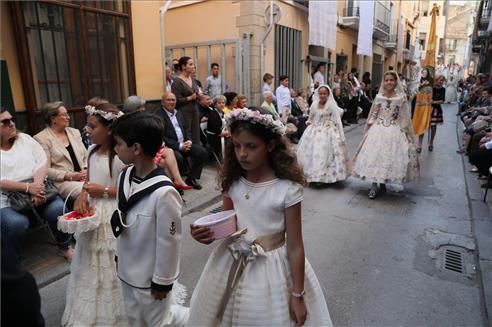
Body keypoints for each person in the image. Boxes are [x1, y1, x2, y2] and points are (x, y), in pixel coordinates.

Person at [188, 108, 332, 326]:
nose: (242, 153)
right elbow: (229, 225)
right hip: (232, 260)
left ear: (270, 145)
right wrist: (205, 233)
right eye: (237, 146)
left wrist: (297, 295)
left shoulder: (287, 189)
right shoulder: (232, 183)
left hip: (272, 268)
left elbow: (295, 245)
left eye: (251, 146)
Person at [111, 111, 189, 327]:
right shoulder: (124, 176)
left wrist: (163, 281)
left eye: (118, 144)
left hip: (149, 279)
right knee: (135, 320)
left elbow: (170, 241)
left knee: (158, 323)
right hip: (127, 271)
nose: (115, 149)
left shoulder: (164, 192)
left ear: (136, 148)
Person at [61, 103, 128, 326]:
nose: (87, 130)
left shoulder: (121, 157)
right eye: (87, 125)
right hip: (93, 212)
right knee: (89, 260)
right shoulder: (91, 151)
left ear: (109, 129)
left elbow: (130, 192)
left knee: (111, 261)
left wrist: (105, 191)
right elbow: (88, 180)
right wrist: (82, 195)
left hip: (112, 213)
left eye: (92, 126)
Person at [0, 108, 73, 264]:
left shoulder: (24, 139)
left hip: (38, 188)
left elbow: (41, 161)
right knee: (16, 224)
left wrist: (37, 187)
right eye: (5, 122)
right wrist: (27, 188)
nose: (12, 124)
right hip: (6, 197)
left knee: (58, 209)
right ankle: (12, 263)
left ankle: (64, 246)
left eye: (11, 119)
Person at [352, 71, 420, 199]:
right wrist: (369, 126)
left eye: (391, 80)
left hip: (394, 129)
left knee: (388, 156)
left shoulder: (401, 98)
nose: (389, 82)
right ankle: (374, 185)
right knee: (376, 156)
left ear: (396, 82)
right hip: (378, 129)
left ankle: (382, 182)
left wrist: (406, 131)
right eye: (387, 80)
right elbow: (374, 113)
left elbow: (404, 116)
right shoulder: (379, 97)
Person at [122, 95, 192, 191]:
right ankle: (169, 186)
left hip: (150, 149)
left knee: (169, 152)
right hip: (139, 154)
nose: (143, 109)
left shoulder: (140, 119)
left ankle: (175, 182)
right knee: (164, 162)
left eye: (143, 107)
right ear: (131, 109)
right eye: (139, 108)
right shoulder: (127, 124)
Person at [296, 85, 350, 185]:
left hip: (327, 131)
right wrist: (310, 124)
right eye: (320, 93)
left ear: (328, 94)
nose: (322, 95)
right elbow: (310, 118)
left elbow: (337, 120)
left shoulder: (331, 105)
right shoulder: (314, 104)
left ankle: (322, 176)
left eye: (324, 93)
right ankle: (311, 174)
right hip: (314, 130)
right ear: (318, 94)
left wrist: (341, 135)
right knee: (311, 152)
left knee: (324, 153)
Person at [34, 101, 87, 200]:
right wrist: (69, 176)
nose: (68, 117)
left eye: (68, 114)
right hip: (63, 182)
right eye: (64, 115)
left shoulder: (74, 132)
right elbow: (45, 170)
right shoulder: (41, 138)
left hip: (84, 177)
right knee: (87, 191)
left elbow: (86, 156)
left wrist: (85, 169)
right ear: (53, 119)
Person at [156, 92, 209, 190]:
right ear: (162, 102)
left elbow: (186, 129)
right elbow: (162, 137)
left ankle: (191, 178)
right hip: (171, 147)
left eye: (173, 100)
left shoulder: (178, 113)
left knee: (202, 152)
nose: (171, 102)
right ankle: (176, 182)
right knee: (178, 158)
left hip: (184, 143)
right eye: (169, 100)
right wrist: (180, 146)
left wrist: (188, 141)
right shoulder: (159, 116)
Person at [171, 56, 201, 145]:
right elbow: (176, 100)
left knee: (196, 134)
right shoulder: (177, 82)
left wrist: (199, 96)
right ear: (184, 67)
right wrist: (190, 98)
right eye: (190, 64)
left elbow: (196, 92)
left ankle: (197, 153)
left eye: (193, 64)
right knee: (187, 134)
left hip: (195, 110)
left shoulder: (193, 80)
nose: (193, 66)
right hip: (184, 112)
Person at [412, 67, 434, 153]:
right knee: (420, 125)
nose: (423, 73)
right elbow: (414, 95)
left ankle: (431, 143)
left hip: (429, 108)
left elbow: (432, 96)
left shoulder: (431, 84)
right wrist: (421, 85)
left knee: (431, 126)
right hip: (419, 108)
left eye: (425, 72)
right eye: (422, 72)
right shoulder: (419, 82)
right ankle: (419, 145)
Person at [427, 75, 446, 151]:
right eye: (440, 80)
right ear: (436, 80)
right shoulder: (431, 88)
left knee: (433, 126)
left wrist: (434, 102)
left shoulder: (443, 89)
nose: (441, 82)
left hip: (436, 109)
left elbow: (442, 100)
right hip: (427, 108)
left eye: (442, 80)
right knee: (425, 125)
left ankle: (431, 142)